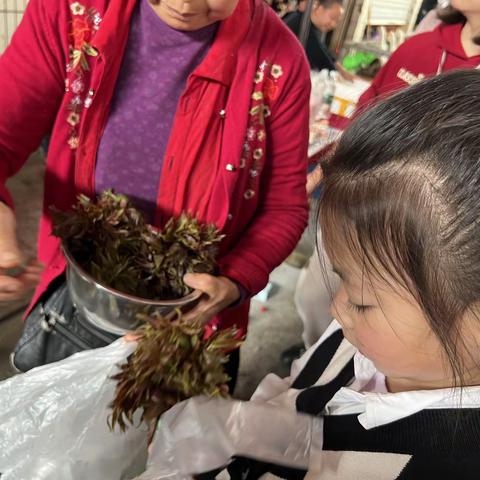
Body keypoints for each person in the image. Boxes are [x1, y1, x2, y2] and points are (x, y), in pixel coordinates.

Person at [140, 70, 480, 479]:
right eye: (341, 281)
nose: (338, 309)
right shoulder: (363, 345)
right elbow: (299, 396)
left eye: (361, 300)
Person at [0, 0, 310, 388]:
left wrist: (233, 282)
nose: (184, 4)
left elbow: (284, 206)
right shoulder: (70, 12)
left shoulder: (279, 63)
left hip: (195, 326)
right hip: (77, 302)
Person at [295, 0, 480, 353]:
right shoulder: (421, 46)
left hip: (432, 246)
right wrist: (324, 172)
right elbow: (364, 114)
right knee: (319, 297)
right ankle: (316, 354)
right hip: (356, 213)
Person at [283, 0, 344, 72]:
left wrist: (342, 71)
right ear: (319, 9)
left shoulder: (306, 23)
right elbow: (325, 62)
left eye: (337, 21)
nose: (334, 24)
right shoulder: (303, 26)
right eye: (332, 18)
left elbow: (325, 52)